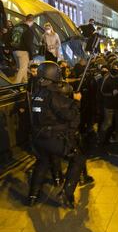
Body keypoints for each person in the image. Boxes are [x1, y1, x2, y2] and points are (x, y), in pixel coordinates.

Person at [28, 62, 85, 208]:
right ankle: (67, 194)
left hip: (38, 137)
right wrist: (76, 102)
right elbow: (69, 115)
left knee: (42, 162)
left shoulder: (37, 93)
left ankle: (32, 196)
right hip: (52, 137)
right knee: (77, 158)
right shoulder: (53, 95)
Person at [10, 14, 35, 83]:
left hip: (14, 51)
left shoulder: (16, 28)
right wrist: (31, 57)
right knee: (22, 69)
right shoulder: (29, 30)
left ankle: (25, 83)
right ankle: (15, 86)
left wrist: (8, 48)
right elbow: (29, 45)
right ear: (32, 21)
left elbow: (9, 37)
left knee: (22, 68)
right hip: (23, 52)